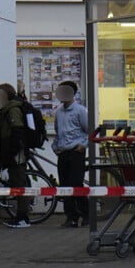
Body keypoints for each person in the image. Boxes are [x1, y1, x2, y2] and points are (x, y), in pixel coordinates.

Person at [0, 83, 31, 229]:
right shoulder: (6, 109)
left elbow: (17, 133)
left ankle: (23, 218)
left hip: (16, 154)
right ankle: (20, 217)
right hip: (12, 153)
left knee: (20, 185)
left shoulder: (13, 109)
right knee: (17, 183)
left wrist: (11, 154)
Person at [52, 81, 89, 227]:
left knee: (76, 184)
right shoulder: (59, 111)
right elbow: (57, 131)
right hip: (63, 152)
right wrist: (55, 147)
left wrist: (83, 145)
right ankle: (71, 217)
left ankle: (86, 214)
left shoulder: (80, 110)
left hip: (76, 152)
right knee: (65, 186)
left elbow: (89, 130)